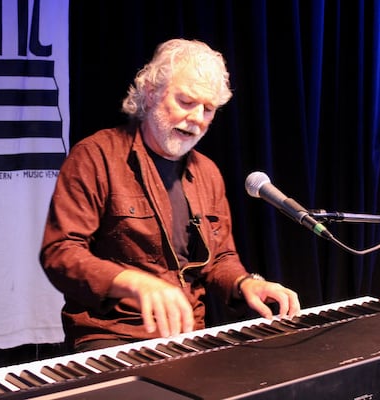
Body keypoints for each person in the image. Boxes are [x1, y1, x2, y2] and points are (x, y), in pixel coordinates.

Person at [39, 38, 300, 353]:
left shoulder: (208, 173)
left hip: (189, 336)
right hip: (112, 338)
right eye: (187, 102)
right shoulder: (96, 156)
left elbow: (220, 259)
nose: (197, 119)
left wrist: (247, 283)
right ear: (151, 94)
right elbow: (61, 252)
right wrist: (131, 283)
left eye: (208, 109)